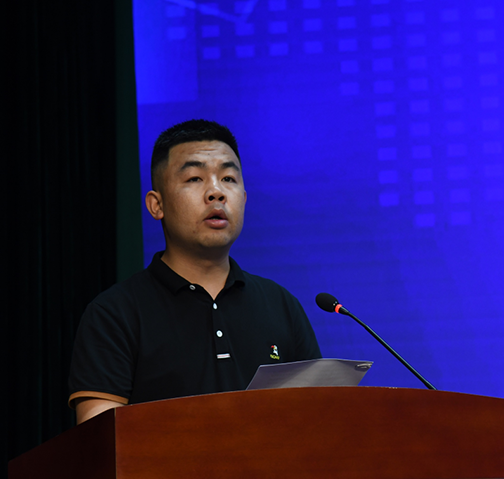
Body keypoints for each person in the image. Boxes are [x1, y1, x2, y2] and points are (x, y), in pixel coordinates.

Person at [68, 119, 322, 423]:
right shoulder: (114, 314)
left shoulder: (281, 305)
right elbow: (101, 438)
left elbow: (317, 419)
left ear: (244, 198)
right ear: (156, 205)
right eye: (194, 178)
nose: (216, 192)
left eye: (228, 178)